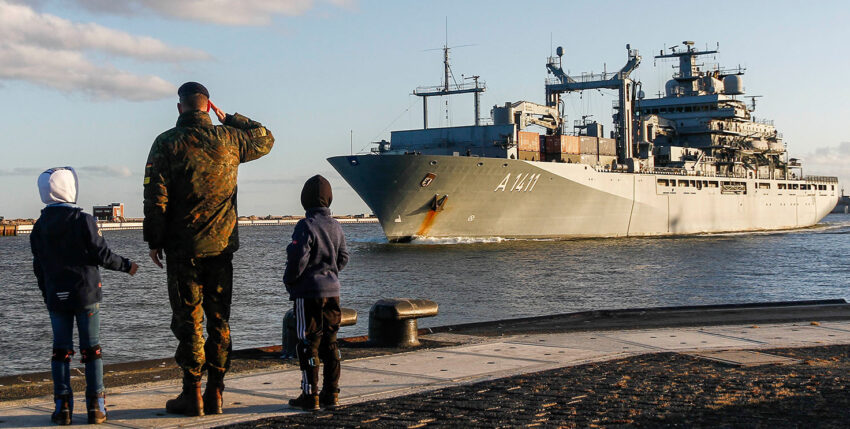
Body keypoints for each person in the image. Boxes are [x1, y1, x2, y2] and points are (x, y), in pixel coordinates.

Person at [143, 82, 274, 416]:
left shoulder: (166, 143)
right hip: (221, 247)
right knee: (220, 320)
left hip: (181, 247)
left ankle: (193, 393)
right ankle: (216, 391)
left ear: (179, 108)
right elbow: (265, 137)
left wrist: (154, 240)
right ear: (207, 106)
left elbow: (155, 196)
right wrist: (230, 117)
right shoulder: (230, 138)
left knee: (189, 321)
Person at [30, 167, 139, 425]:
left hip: (56, 294)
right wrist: (127, 265)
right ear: (70, 188)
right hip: (85, 292)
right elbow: (101, 254)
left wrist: (47, 294)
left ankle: (63, 407)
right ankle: (96, 406)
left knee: (60, 351)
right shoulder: (83, 220)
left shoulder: (39, 226)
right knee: (92, 350)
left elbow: (39, 266)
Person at [284, 175, 349, 410]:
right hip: (333, 292)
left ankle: (310, 395)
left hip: (308, 293)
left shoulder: (306, 225)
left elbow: (297, 258)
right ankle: (332, 392)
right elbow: (343, 257)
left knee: (307, 342)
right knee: (331, 341)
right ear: (329, 198)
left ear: (304, 199)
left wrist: (290, 281)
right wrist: (330, 274)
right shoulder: (337, 226)